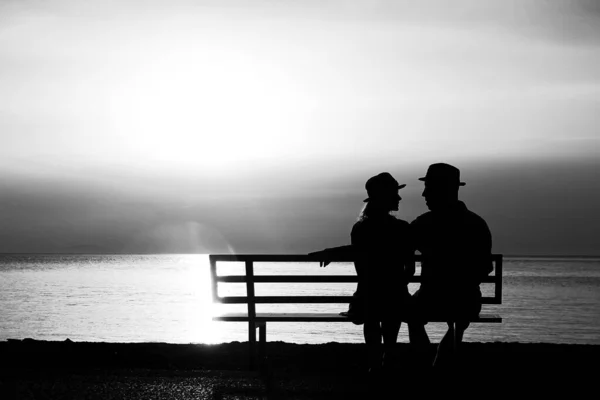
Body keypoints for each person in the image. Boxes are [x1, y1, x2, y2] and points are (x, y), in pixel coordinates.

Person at [314, 172, 414, 373]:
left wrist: (332, 252)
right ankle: (388, 356)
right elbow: (409, 270)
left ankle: (375, 363)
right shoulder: (402, 228)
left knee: (372, 309)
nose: (400, 198)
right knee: (391, 305)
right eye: (395, 194)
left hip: (367, 297)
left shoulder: (361, 228)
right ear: (385, 197)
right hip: (396, 297)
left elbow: (362, 268)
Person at [408, 163, 493, 367]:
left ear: (443, 190)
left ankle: (426, 362)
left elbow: (397, 247)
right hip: (466, 299)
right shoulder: (476, 224)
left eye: (428, 188)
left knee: (411, 313)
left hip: (431, 298)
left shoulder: (424, 224)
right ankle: (441, 360)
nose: (424, 194)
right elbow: (485, 267)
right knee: (460, 315)